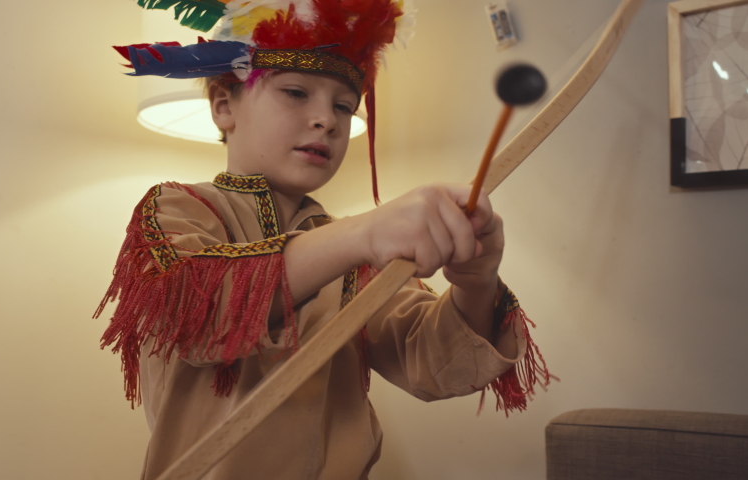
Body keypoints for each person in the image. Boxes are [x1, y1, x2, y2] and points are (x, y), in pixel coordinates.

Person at [95, 0, 551, 478]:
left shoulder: (354, 247)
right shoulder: (177, 207)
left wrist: (476, 281)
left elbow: (434, 362)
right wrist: (364, 233)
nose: (327, 121)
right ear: (224, 105)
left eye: (343, 106)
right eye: (295, 92)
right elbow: (196, 309)